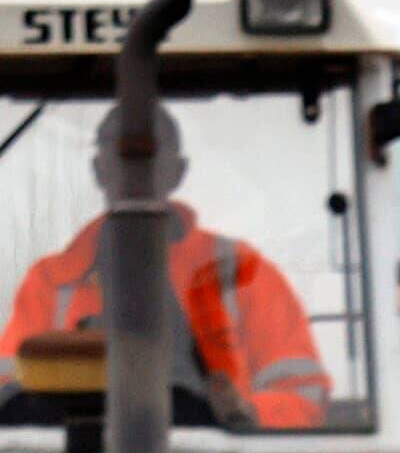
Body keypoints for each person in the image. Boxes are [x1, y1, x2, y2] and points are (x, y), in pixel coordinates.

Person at [3, 111, 331, 429]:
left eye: (150, 158)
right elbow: (8, 395)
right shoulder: (51, 281)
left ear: (178, 171)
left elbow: (305, 395)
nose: (135, 173)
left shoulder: (241, 272)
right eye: (122, 158)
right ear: (99, 170)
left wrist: (243, 412)